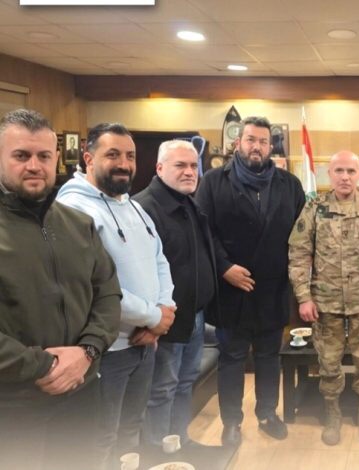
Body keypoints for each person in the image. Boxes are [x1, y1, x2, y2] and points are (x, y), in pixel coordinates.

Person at [0, 109, 121, 470]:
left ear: (56, 158)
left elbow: (108, 294)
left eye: (43, 156)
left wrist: (87, 351)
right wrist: (47, 365)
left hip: (81, 394)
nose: (34, 166)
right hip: (14, 406)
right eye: (21, 155)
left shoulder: (78, 224)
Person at [57, 122, 176, 467]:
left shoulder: (132, 205)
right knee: (101, 440)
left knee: (130, 432)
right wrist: (154, 317)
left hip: (144, 344)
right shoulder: (73, 209)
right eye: (113, 155)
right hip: (106, 351)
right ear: (88, 158)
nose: (124, 164)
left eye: (130, 156)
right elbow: (96, 287)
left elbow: (160, 258)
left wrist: (164, 310)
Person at [196, 116, 305, 445]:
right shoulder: (213, 181)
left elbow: (301, 235)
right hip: (232, 289)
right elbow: (203, 231)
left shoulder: (290, 184)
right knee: (231, 358)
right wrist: (224, 267)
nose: (256, 146)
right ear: (237, 143)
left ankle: (267, 413)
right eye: (250, 140)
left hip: (273, 289)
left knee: (269, 357)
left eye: (263, 141)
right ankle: (231, 421)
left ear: (271, 147)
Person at [288, 150, 359, 446]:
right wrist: (304, 297)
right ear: (329, 174)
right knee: (329, 363)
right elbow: (299, 255)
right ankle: (332, 414)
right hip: (325, 303)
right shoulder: (314, 208)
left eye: (350, 171)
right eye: (339, 171)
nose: (345, 177)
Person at [134, 140, 219, 447]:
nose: (189, 172)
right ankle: (160, 451)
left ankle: (179, 441)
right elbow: (138, 273)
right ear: (159, 168)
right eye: (180, 165)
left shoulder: (188, 203)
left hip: (193, 315)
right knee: (162, 389)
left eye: (194, 166)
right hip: (165, 321)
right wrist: (150, 320)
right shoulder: (144, 208)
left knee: (184, 383)